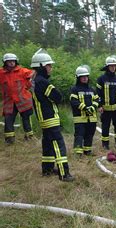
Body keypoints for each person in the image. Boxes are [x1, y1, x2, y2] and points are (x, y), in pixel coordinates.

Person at [30, 49, 74, 182]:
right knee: (58, 144)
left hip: (43, 118)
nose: (51, 68)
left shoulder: (35, 80)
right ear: (42, 66)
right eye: (49, 65)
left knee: (48, 144)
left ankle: (47, 169)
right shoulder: (43, 81)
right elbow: (58, 97)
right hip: (49, 118)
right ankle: (64, 173)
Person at [0, 53, 34, 144]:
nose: (11, 63)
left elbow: (33, 75)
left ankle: (29, 137)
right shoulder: (1, 73)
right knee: (8, 120)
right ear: (5, 62)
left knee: (26, 119)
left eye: (13, 61)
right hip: (9, 102)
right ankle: (9, 140)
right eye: (9, 61)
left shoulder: (22, 71)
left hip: (24, 101)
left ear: (16, 61)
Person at [70, 65, 99, 156]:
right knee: (79, 135)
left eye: (86, 76)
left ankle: (87, 151)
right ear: (78, 78)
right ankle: (78, 153)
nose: (85, 78)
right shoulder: (74, 89)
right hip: (80, 118)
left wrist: (93, 107)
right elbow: (74, 101)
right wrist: (84, 108)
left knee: (89, 135)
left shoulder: (92, 89)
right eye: (82, 77)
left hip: (92, 118)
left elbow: (97, 100)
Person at [96, 55, 116, 150]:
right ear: (107, 67)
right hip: (106, 109)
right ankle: (105, 145)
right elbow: (97, 94)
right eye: (111, 66)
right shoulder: (101, 79)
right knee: (105, 127)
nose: (113, 67)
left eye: (114, 66)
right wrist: (99, 106)